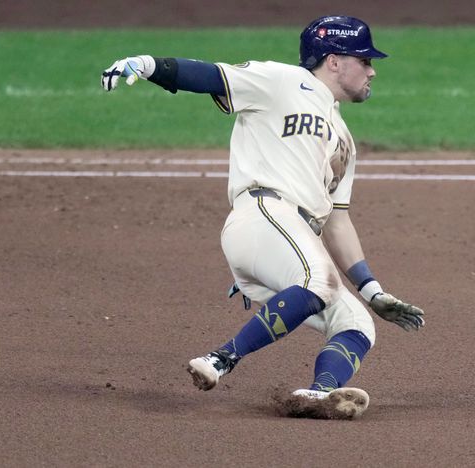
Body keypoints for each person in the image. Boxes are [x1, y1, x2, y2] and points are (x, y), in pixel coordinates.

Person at [100, 15, 425, 419]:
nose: (372, 70)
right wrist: (149, 65)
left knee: (356, 322)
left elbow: (337, 221)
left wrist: (373, 291)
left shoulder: (343, 140)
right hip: (262, 214)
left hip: (289, 243)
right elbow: (212, 76)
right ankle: (221, 358)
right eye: (364, 59)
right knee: (319, 282)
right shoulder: (284, 81)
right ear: (335, 60)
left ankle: (319, 394)